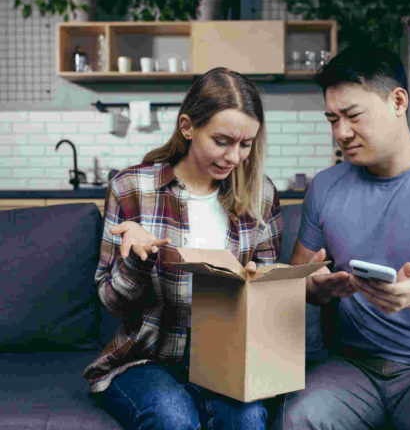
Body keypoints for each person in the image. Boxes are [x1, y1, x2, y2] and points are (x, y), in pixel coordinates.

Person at [272, 44, 410, 430]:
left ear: (398, 102)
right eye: (332, 119)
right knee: (297, 418)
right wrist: (315, 287)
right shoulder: (326, 187)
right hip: (352, 367)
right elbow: (296, 279)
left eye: (352, 116)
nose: (341, 133)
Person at [83, 67, 282, 430]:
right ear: (188, 127)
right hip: (147, 358)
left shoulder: (261, 193)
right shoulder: (132, 188)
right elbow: (111, 302)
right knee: (173, 418)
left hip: (228, 359)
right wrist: (136, 261)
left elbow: (272, 296)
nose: (235, 157)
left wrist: (262, 286)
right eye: (222, 141)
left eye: (246, 144)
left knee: (248, 419)